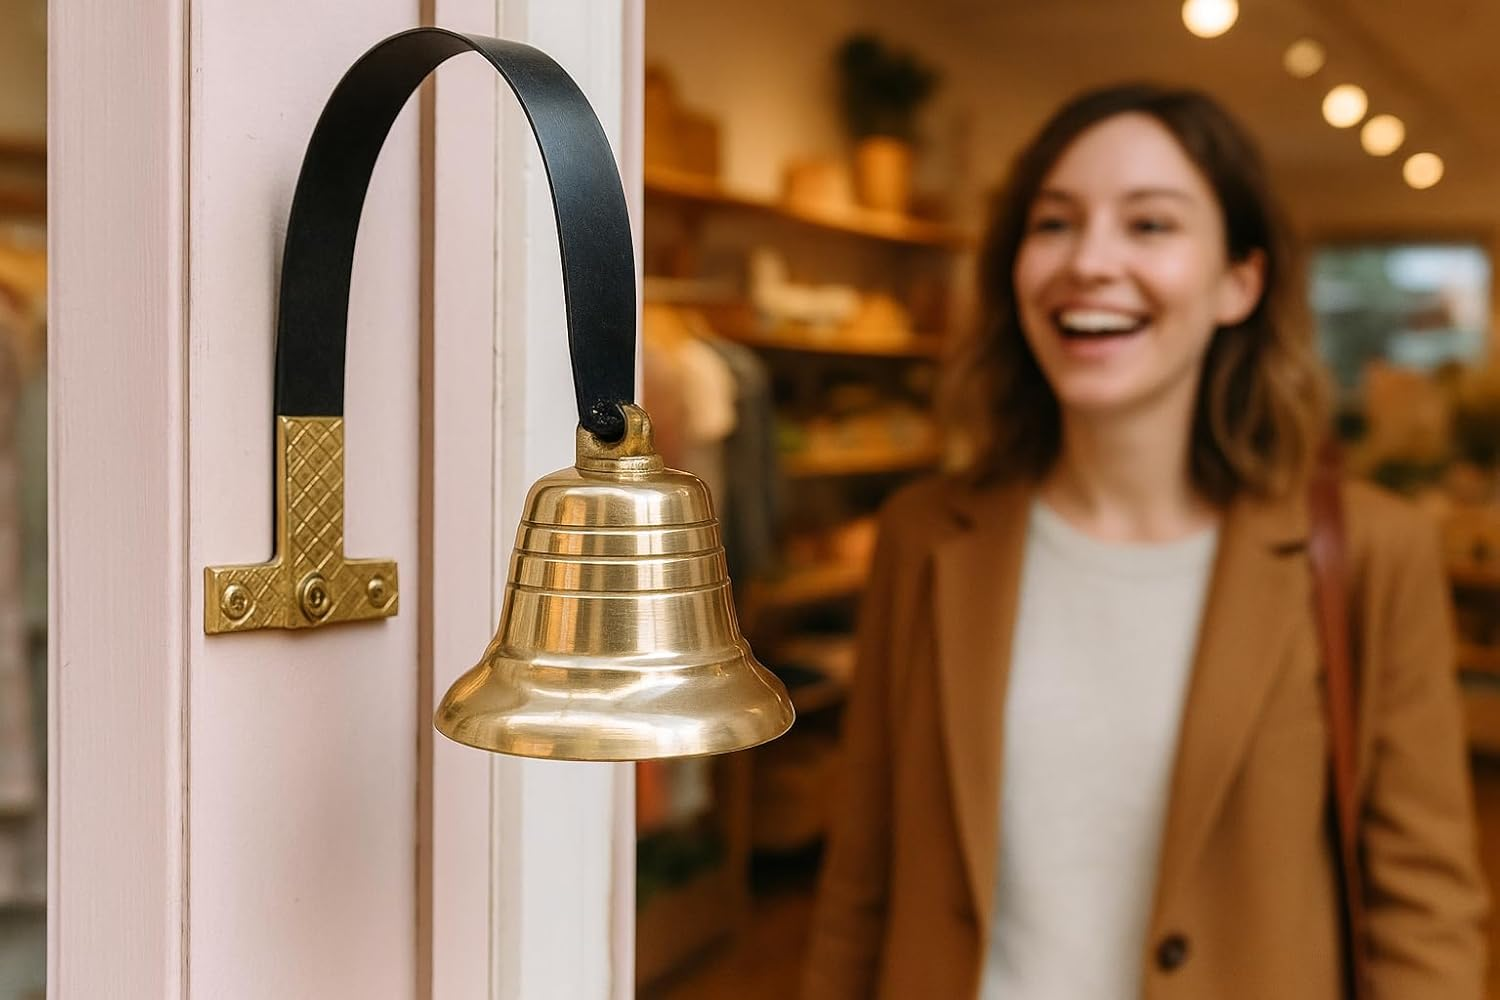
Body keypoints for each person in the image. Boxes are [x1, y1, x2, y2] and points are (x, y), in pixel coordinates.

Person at [801, 83, 1488, 999]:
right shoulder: (924, 535)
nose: (1089, 261)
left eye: (1150, 226)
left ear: (1239, 283)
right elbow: (862, 877)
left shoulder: (1369, 550)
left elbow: (1424, 908)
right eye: (1053, 224)